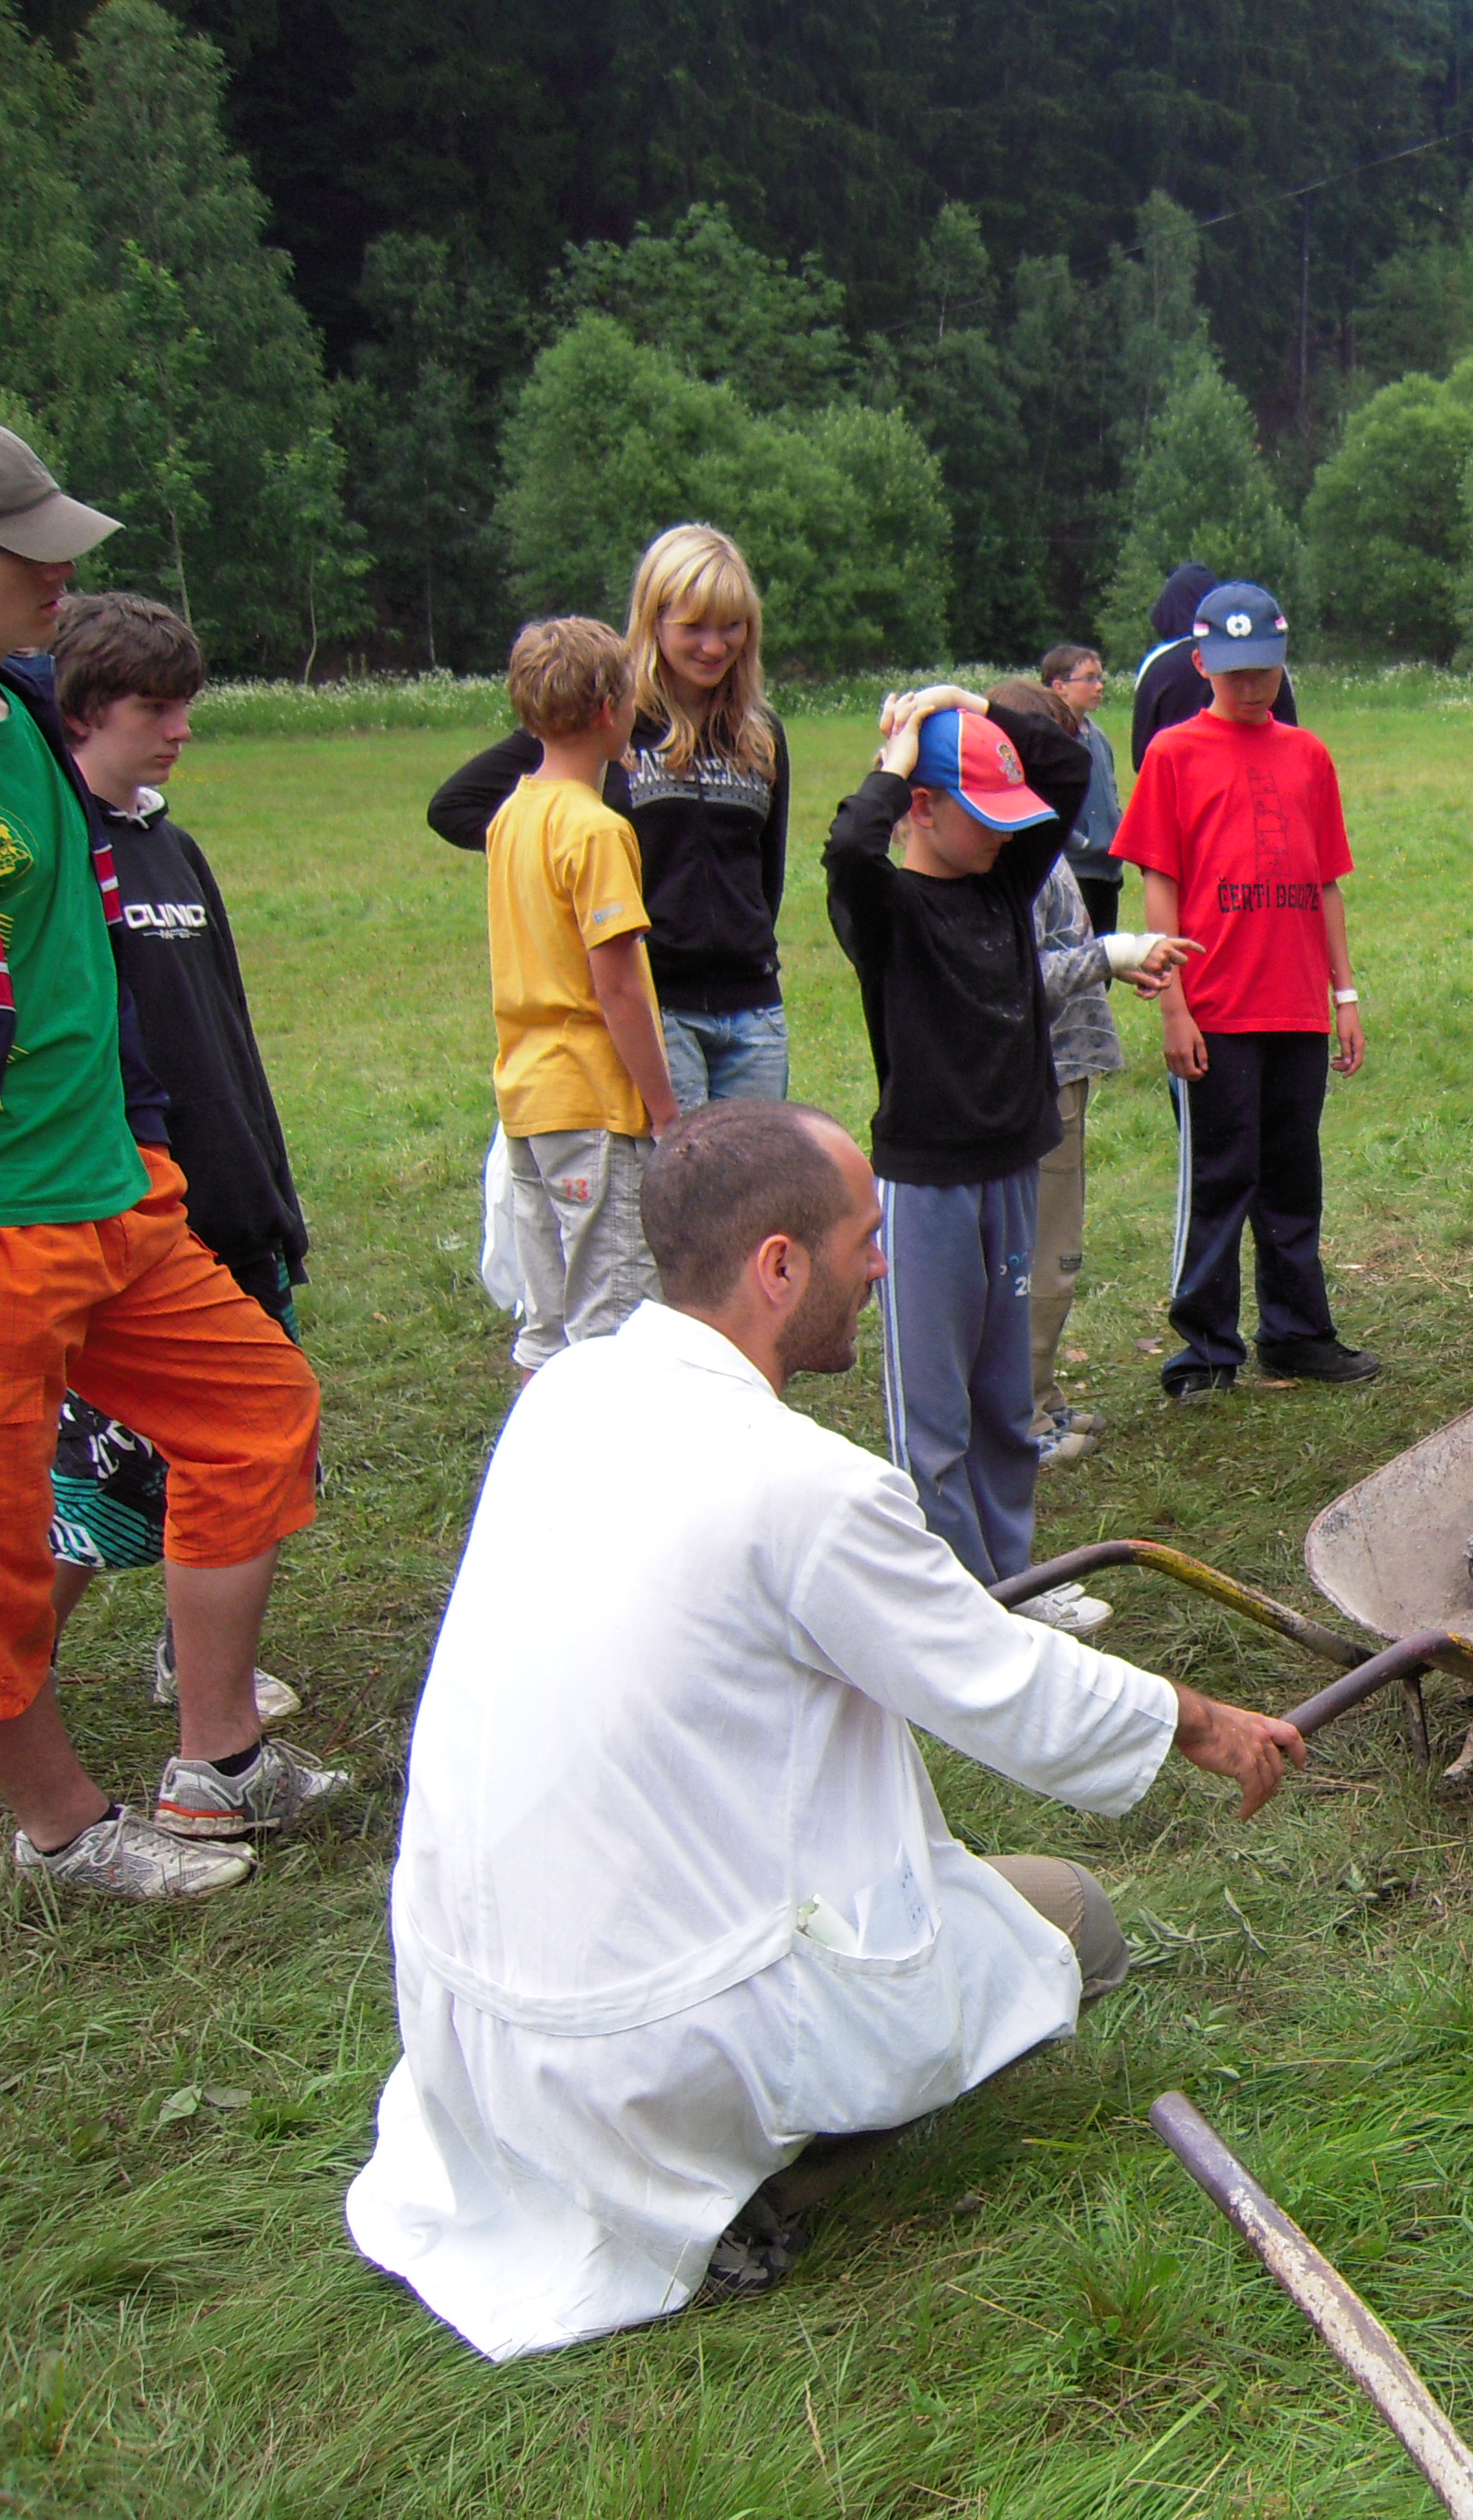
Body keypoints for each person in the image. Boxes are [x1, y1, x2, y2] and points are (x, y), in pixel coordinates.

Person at [343, 1096, 1307, 2361]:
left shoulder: (570, 1389)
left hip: (475, 2012)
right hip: (633, 2033)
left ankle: (699, 2136)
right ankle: (761, 2188)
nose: (882, 1265)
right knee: (1075, 1922)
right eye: (863, 1239)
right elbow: (1002, 1687)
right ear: (778, 1267)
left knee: (910, 1881)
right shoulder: (809, 1489)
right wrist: (1198, 1721)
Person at [0, 409, 332, 1899]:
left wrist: (150, 1135)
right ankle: (60, 1831)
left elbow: (90, 955)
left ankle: (215, 1760)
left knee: (258, 1412)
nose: (62, 574)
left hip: (117, 1191)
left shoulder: (31, 709)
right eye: (27, 549)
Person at [41, 592, 311, 1721]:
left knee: (236, 1458)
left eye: (185, 704)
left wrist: (269, 1184)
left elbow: (226, 1029)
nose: (181, 729)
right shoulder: (58, 852)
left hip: (232, 1199)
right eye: (155, 707)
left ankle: (189, 1657)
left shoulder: (173, 847)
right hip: (137, 1218)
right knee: (97, 1486)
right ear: (81, 709)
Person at [824, 688, 1091, 1581]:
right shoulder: (887, 911)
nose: (1007, 834)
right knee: (934, 1419)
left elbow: (1067, 766)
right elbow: (849, 849)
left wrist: (970, 704)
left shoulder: (1004, 881)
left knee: (1004, 1404)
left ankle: (1012, 1584)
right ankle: (958, 1600)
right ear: (923, 808)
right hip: (929, 1186)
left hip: (1012, 1168)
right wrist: (899, 755)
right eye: (985, 814)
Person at [1109, 582, 1377, 1401]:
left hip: (1295, 1006)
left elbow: (1326, 885)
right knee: (1221, 1178)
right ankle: (1204, 1350)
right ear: (1201, 664)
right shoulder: (1174, 755)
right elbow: (1160, 882)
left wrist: (1344, 996)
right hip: (1217, 1010)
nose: (1252, 685)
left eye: (1264, 668)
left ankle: (1296, 1334)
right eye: (1234, 671)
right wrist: (1174, 1005)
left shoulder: (1309, 756)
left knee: (1294, 1177)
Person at [429, 523, 793, 1107]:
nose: (714, 646)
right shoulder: (607, 721)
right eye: (694, 627)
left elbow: (766, 873)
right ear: (654, 620)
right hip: (657, 1007)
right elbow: (455, 806)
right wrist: (556, 859)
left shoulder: (761, 732)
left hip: (753, 1014)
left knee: (756, 1167)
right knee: (676, 1166)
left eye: (732, 625)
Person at [987, 681, 1194, 1466]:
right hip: (1037, 1077)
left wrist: (1113, 965)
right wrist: (1108, 955)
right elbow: (1012, 978)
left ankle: (1039, 1397)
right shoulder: (1012, 860)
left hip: (1062, 1070)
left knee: (1054, 1250)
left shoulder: (1039, 852)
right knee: (1046, 1254)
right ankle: (1024, 1420)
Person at [485, 617, 680, 1372]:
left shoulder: (512, 814)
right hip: (594, 1103)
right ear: (608, 710)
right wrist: (663, 1110)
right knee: (613, 1322)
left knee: (547, 1321)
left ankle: (540, 1438)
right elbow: (618, 987)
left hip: (528, 1100)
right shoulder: (596, 831)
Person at [1128, 563, 1298, 774]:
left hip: (1180, 775)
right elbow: (1288, 730)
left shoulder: (1158, 664)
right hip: (1261, 771)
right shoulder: (1265, 659)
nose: (1249, 686)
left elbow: (1141, 756)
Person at [1040, 644, 1122, 934]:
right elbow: (1045, 805)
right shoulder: (1050, 740)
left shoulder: (1098, 737)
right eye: (1089, 678)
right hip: (1074, 870)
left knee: (1104, 952)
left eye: (1099, 678)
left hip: (1107, 871)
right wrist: (1082, 843)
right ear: (1059, 686)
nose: (1099, 686)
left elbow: (1110, 793)